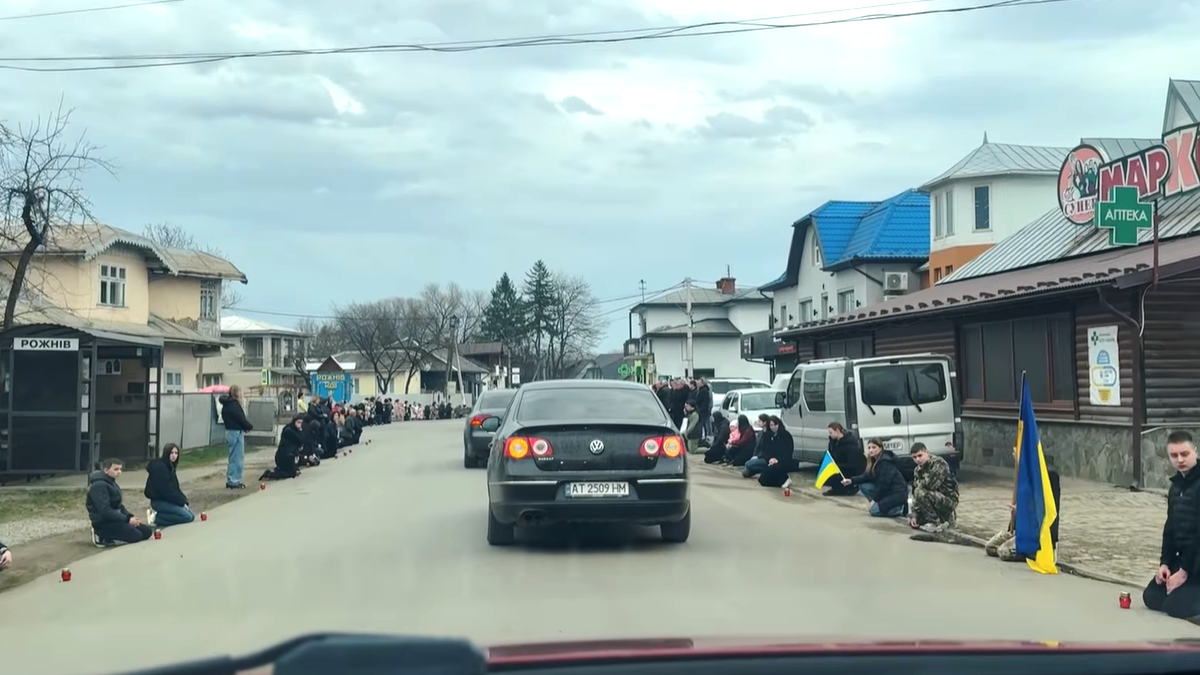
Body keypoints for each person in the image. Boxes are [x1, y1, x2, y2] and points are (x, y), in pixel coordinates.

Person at [1144, 430, 1200, 620]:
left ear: (1195, 452)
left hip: (1196, 561)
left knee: (1174, 606)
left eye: (1185, 454)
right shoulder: (1176, 486)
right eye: (1174, 455)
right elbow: (1171, 528)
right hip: (1184, 559)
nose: (1180, 460)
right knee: (1151, 597)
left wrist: (1183, 572)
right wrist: (1165, 563)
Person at [986, 446, 1061, 562]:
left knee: (1003, 551)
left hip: (1035, 534)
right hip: (1020, 529)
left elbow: (1046, 511)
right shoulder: (1023, 474)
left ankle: (1033, 552)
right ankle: (1017, 541)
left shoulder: (1048, 476)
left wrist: (1022, 510)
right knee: (990, 547)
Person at [87, 458, 154, 545]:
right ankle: (101, 535)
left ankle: (115, 533)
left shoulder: (112, 483)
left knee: (146, 532)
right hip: (103, 522)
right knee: (136, 536)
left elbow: (119, 506)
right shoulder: (98, 486)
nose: (119, 472)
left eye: (120, 469)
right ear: (106, 470)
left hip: (116, 519)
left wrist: (130, 517)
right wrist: (127, 519)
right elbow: (104, 511)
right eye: (116, 469)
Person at [840, 438, 908, 517]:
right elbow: (867, 476)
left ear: (880, 448)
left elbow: (884, 485)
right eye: (869, 448)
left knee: (874, 511)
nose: (871, 450)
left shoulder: (885, 462)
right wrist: (851, 480)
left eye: (874, 447)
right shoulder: (874, 461)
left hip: (896, 493)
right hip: (887, 492)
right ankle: (884, 506)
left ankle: (898, 508)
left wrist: (874, 500)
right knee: (863, 485)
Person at [908, 442, 958, 539]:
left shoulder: (939, 464)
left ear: (927, 452)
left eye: (920, 455)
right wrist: (914, 514)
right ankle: (942, 521)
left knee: (920, 492)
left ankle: (935, 523)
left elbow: (930, 485)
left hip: (948, 500)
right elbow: (915, 492)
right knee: (917, 519)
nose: (918, 459)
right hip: (933, 498)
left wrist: (918, 485)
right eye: (914, 457)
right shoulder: (917, 470)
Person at [144, 443, 195, 527]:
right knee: (187, 517)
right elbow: (166, 490)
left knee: (190, 515)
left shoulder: (170, 467)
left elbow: (175, 488)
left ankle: (160, 516)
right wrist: (181, 502)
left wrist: (184, 501)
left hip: (167, 500)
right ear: (166, 453)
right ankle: (156, 518)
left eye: (176, 453)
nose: (174, 456)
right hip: (159, 501)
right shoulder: (160, 468)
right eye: (171, 453)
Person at [219, 384, 254, 489]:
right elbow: (240, 419)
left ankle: (232, 479)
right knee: (237, 458)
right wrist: (249, 426)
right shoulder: (234, 405)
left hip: (229, 431)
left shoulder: (226, 405)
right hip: (236, 432)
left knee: (233, 457)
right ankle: (234, 480)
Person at [823, 422, 865, 496]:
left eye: (831, 432)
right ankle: (837, 488)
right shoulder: (833, 442)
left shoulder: (850, 445)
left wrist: (837, 465)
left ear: (837, 431)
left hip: (849, 470)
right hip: (839, 466)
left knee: (834, 475)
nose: (830, 435)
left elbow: (854, 465)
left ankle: (848, 488)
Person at [756, 416, 797, 488]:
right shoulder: (767, 436)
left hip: (783, 460)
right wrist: (770, 459)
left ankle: (784, 479)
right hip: (770, 460)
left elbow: (788, 451)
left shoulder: (786, 435)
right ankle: (778, 483)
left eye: (775, 425)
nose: (773, 427)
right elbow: (765, 450)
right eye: (771, 425)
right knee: (763, 480)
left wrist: (777, 460)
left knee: (775, 469)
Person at [262, 416, 304, 480]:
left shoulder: (295, 430)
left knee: (293, 471)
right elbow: (300, 440)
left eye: (301, 423)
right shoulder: (289, 430)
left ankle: (276, 471)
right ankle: (271, 474)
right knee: (291, 474)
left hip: (291, 455)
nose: (300, 425)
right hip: (284, 456)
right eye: (298, 422)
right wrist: (300, 430)